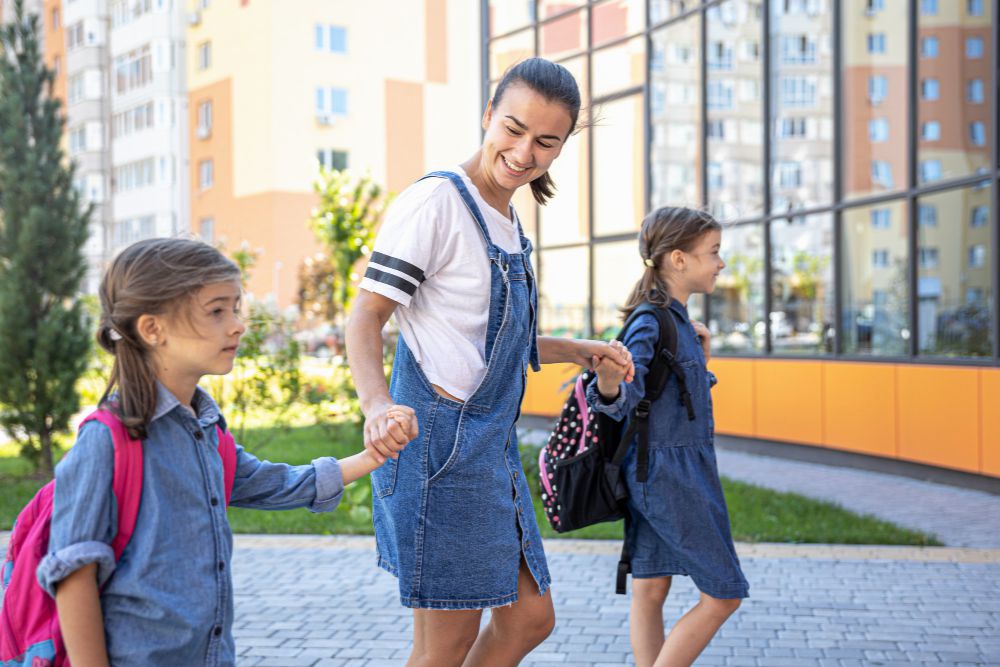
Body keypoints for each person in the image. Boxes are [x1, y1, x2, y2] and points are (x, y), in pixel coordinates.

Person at [346, 57, 633, 667]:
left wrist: (580, 351)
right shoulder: (436, 203)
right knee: (443, 645)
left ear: (559, 148)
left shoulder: (504, 219)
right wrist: (376, 405)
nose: (524, 152)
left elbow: (491, 340)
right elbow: (365, 317)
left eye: (545, 141)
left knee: (530, 617)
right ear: (487, 117)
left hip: (490, 452)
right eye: (513, 129)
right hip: (439, 452)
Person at [38, 238, 405, 666]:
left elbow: (272, 483)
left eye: (235, 308)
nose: (237, 325)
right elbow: (73, 574)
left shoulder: (206, 430)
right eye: (217, 311)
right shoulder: (107, 441)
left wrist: (371, 457)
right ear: (152, 328)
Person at [588, 206, 748, 667]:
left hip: (670, 470)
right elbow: (620, 396)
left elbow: (672, 400)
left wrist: (702, 362)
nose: (720, 263)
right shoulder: (650, 321)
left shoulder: (675, 322)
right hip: (666, 477)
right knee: (723, 594)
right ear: (678, 259)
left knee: (651, 587)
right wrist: (611, 381)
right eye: (713, 252)